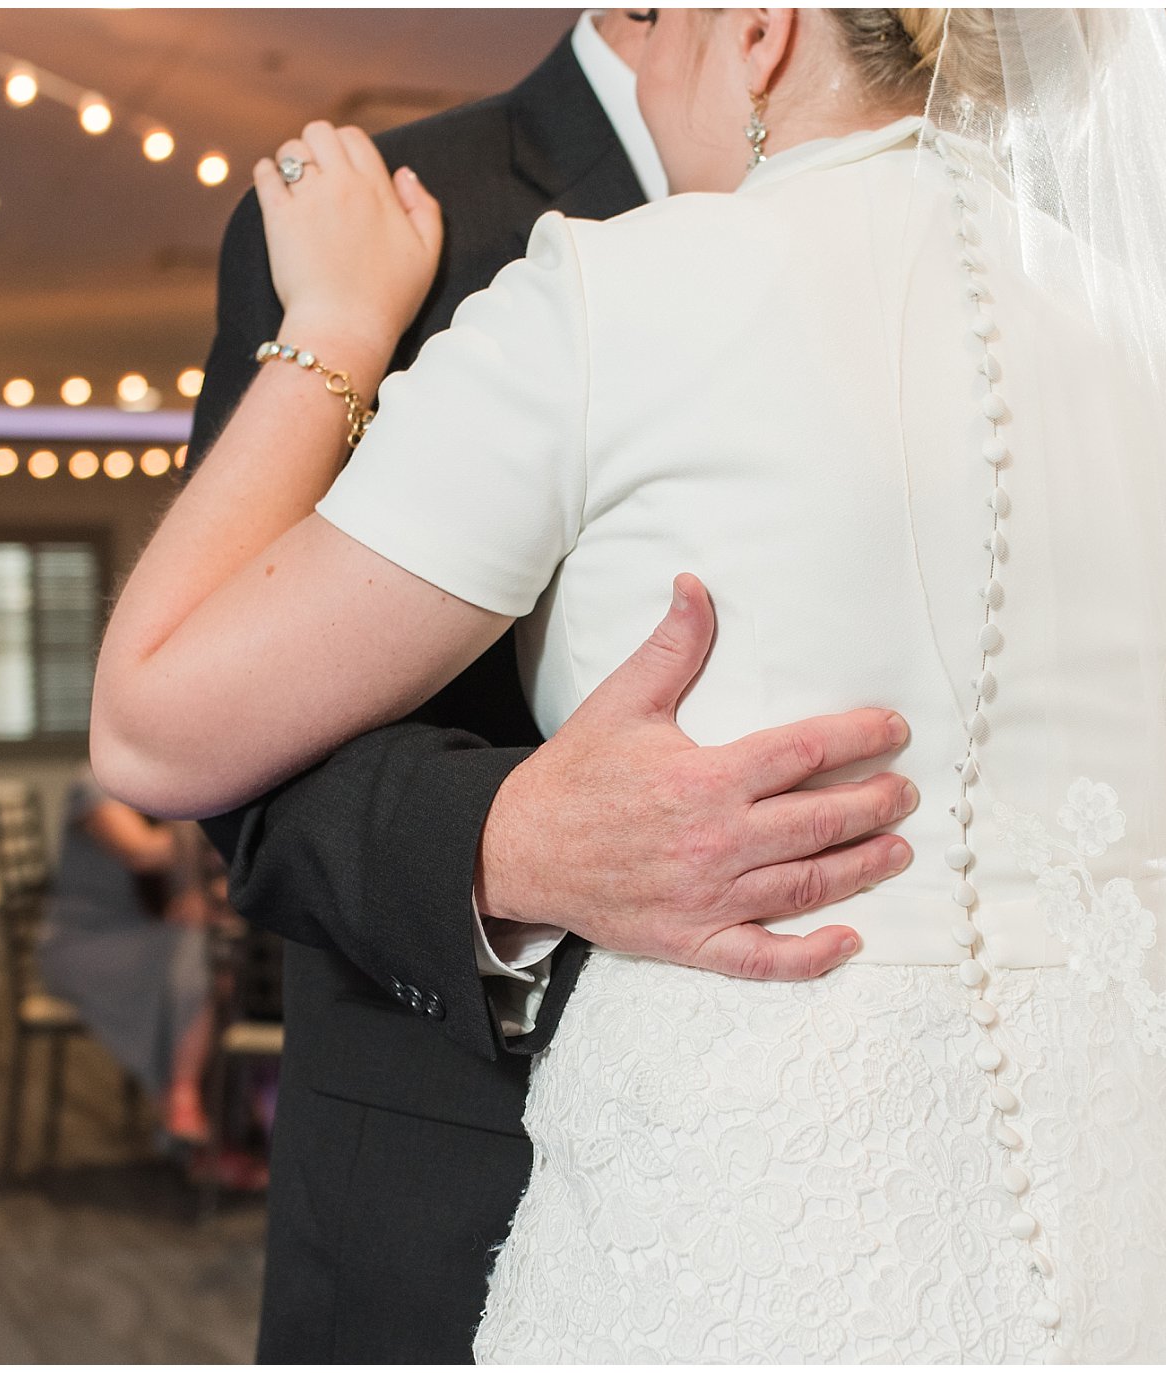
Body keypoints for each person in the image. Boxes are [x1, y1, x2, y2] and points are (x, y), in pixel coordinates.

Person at [96, 7, 1166, 1362]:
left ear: (764, 27)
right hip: (1165, 1216)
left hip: (748, 1215)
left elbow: (150, 721)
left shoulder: (615, 292)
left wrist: (341, 330)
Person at [152, 11, 918, 1361]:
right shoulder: (402, 213)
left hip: (891, 1153)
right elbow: (217, 747)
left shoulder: (961, 243)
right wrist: (504, 841)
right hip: (462, 1161)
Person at [43, 769, 217, 1150]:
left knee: (215, 961)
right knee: (204, 959)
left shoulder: (169, 787)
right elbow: (140, 852)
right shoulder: (95, 784)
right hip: (86, 944)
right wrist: (225, 823)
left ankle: (217, 1119)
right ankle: (183, 1096)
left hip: (142, 937)